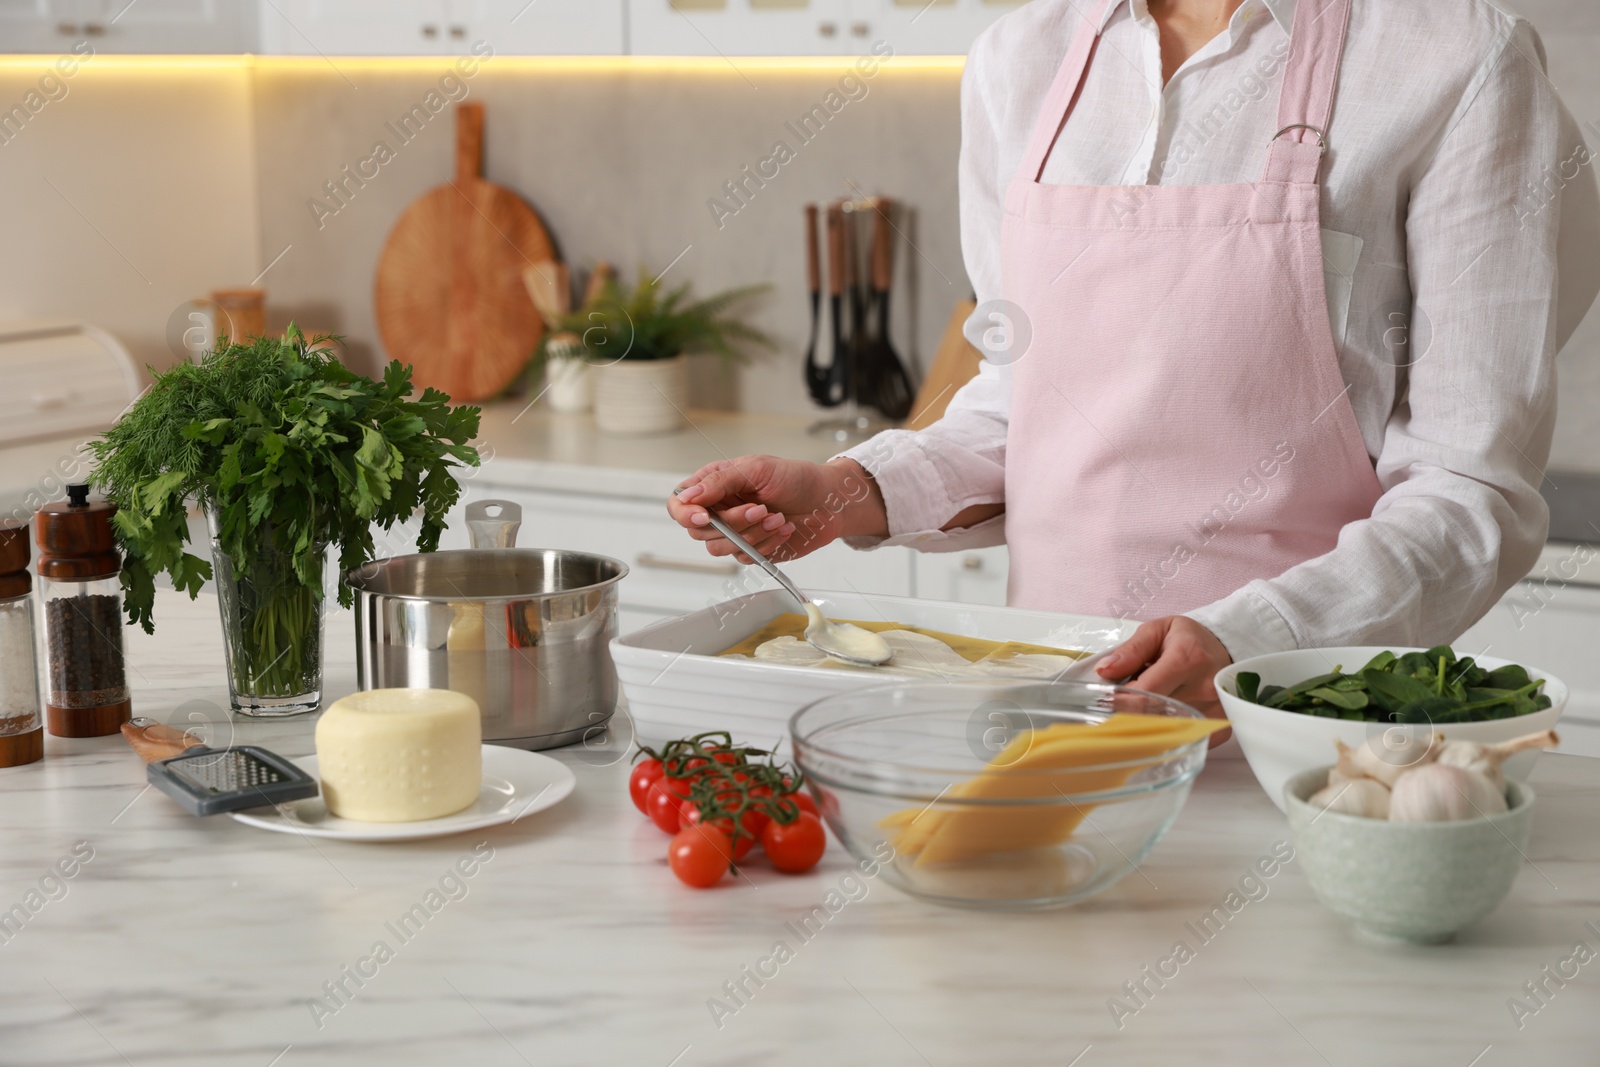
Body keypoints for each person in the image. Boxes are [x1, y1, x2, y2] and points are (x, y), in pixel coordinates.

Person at [668, 0, 1600, 715]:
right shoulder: (1019, 60)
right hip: (1042, 708)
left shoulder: (1455, 58)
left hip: (1306, 727)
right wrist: (845, 489)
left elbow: (1471, 489)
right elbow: (1021, 404)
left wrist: (1249, 641)